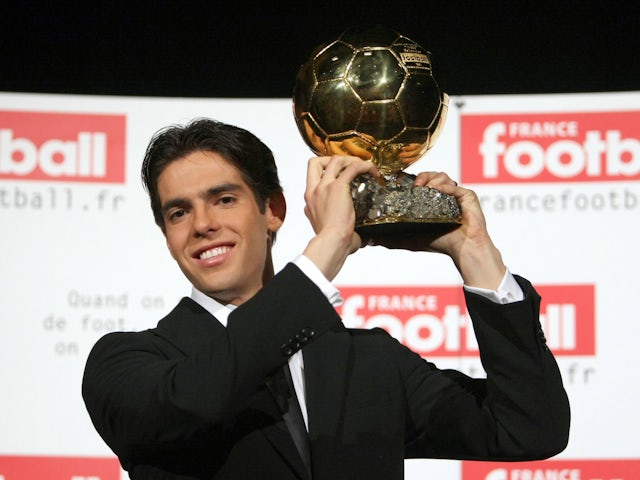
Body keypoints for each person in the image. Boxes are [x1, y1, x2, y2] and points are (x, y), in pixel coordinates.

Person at [82, 118, 570, 480]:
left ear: (272, 210)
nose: (203, 224)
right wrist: (326, 250)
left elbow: (527, 427)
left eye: (224, 199)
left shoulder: (369, 361)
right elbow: (201, 398)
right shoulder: (128, 364)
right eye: (177, 212)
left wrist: (474, 253)